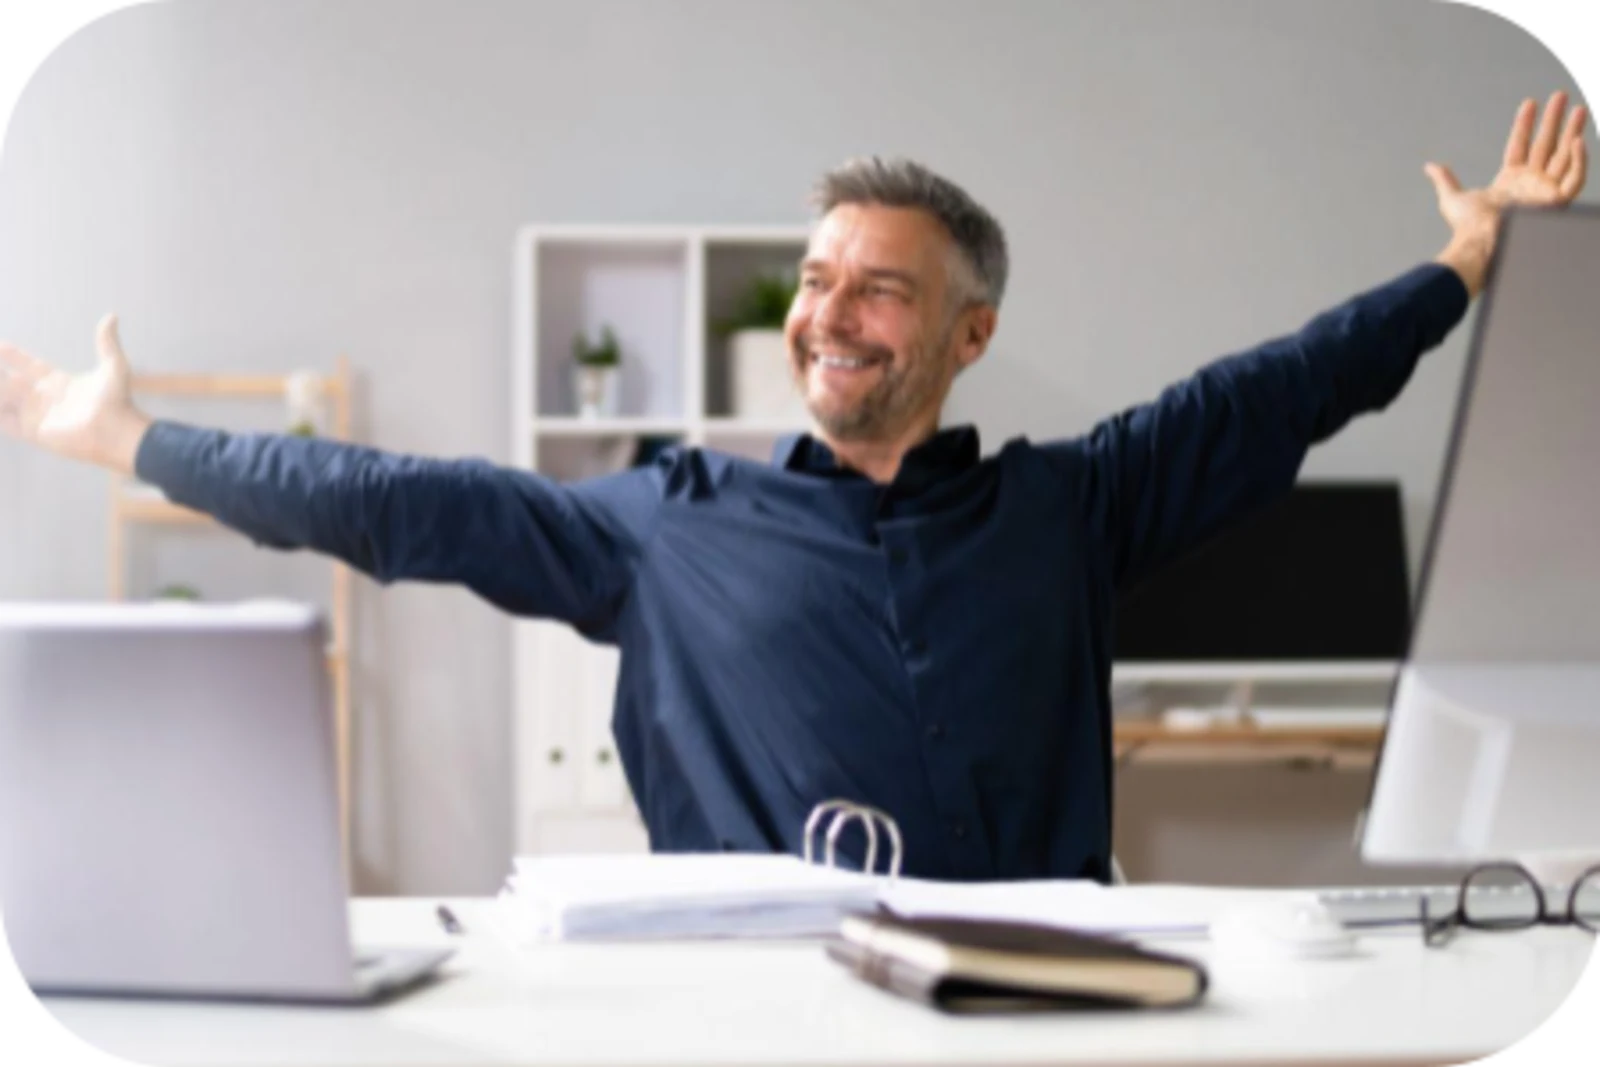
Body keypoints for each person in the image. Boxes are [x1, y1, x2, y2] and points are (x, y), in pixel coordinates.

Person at [1, 93, 1587, 883]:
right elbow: (390, 498)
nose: (827, 312)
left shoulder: (1073, 507)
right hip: (763, 1026)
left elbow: (1288, 388)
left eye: (877, 289)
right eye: (814, 279)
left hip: (1051, 1024)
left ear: (970, 333)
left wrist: (1465, 256)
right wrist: (132, 439)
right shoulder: (656, 524)